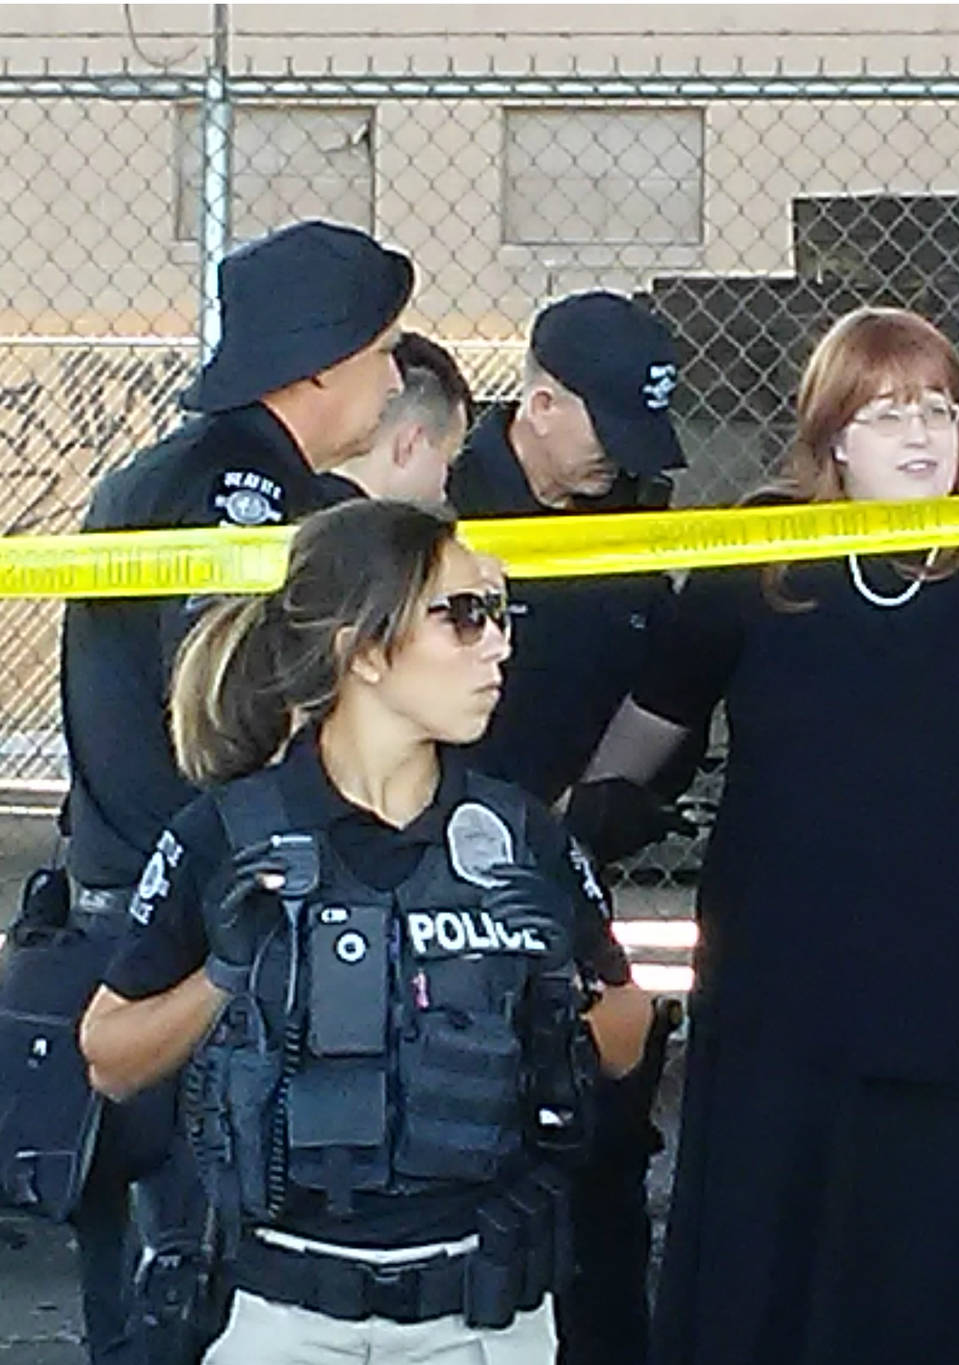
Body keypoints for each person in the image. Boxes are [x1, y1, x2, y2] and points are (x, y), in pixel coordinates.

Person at [580, 306, 959, 1364]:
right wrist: (563, 837)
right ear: (831, 439)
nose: (920, 436)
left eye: (939, 410)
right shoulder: (755, 558)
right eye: (886, 413)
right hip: (803, 973)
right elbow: (658, 712)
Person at [76, 499, 653, 1365]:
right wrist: (225, 974)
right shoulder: (227, 837)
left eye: (498, 613)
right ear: (366, 648)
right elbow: (109, 1059)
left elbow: (626, 1040)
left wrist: (562, 983)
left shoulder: (518, 835)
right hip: (282, 1314)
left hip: (480, 1312)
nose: (499, 643)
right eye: (464, 617)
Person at [49, 217, 412, 1364]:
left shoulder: (167, 472)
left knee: (160, 1289)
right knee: (203, 1291)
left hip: (143, 910)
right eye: (381, 349)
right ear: (319, 362)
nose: (397, 378)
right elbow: (234, 720)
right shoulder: (242, 494)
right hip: (203, 936)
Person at [442, 291, 688, 1365]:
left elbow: (663, 695)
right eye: (606, 432)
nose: (619, 463)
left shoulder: (630, 510)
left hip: (570, 878)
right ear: (539, 403)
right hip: (434, 882)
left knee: (602, 1145)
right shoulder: (442, 501)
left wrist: (601, 806)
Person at [322, 331, 475, 506]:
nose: (443, 495)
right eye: (446, 461)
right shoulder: (378, 529)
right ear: (408, 445)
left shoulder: (293, 492)